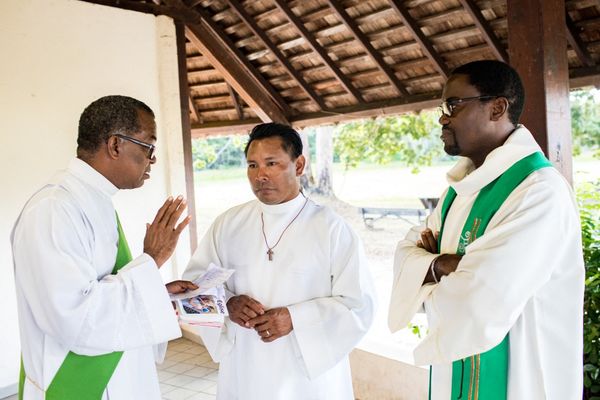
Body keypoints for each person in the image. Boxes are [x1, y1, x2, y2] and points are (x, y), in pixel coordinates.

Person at [388, 60, 584, 399]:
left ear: (497, 107)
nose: (442, 117)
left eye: (453, 105)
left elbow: (485, 292)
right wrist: (438, 265)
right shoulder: (459, 189)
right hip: (456, 368)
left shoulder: (538, 190)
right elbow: (407, 251)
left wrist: (431, 272)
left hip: (521, 370)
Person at [11, 95, 197, 400]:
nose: (153, 159)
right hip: (76, 384)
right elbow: (74, 317)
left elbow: (102, 284)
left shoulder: (92, 199)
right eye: (148, 146)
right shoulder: (54, 210)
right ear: (115, 145)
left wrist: (155, 289)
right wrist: (151, 259)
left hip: (117, 376)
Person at [183, 122, 376, 400]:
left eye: (271, 163)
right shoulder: (228, 224)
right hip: (245, 366)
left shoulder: (331, 229)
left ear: (298, 166)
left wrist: (295, 318)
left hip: (306, 377)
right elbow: (192, 287)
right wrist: (227, 303)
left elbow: (359, 305)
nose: (260, 175)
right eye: (252, 165)